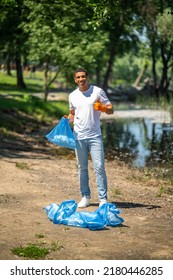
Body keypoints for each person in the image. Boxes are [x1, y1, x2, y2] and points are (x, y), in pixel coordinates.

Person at [66, 68, 114, 208]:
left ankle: (103, 199)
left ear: (87, 77)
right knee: (82, 167)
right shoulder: (72, 95)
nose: (81, 79)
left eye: (83, 76)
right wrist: (67, 120)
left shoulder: (97, 91)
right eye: (78, 77)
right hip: (79, 136)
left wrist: (103, 108)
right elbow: (73, 114)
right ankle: (85, 197)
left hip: (95, 136)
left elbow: (111, 110)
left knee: (99, 167)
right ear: (75, 80)